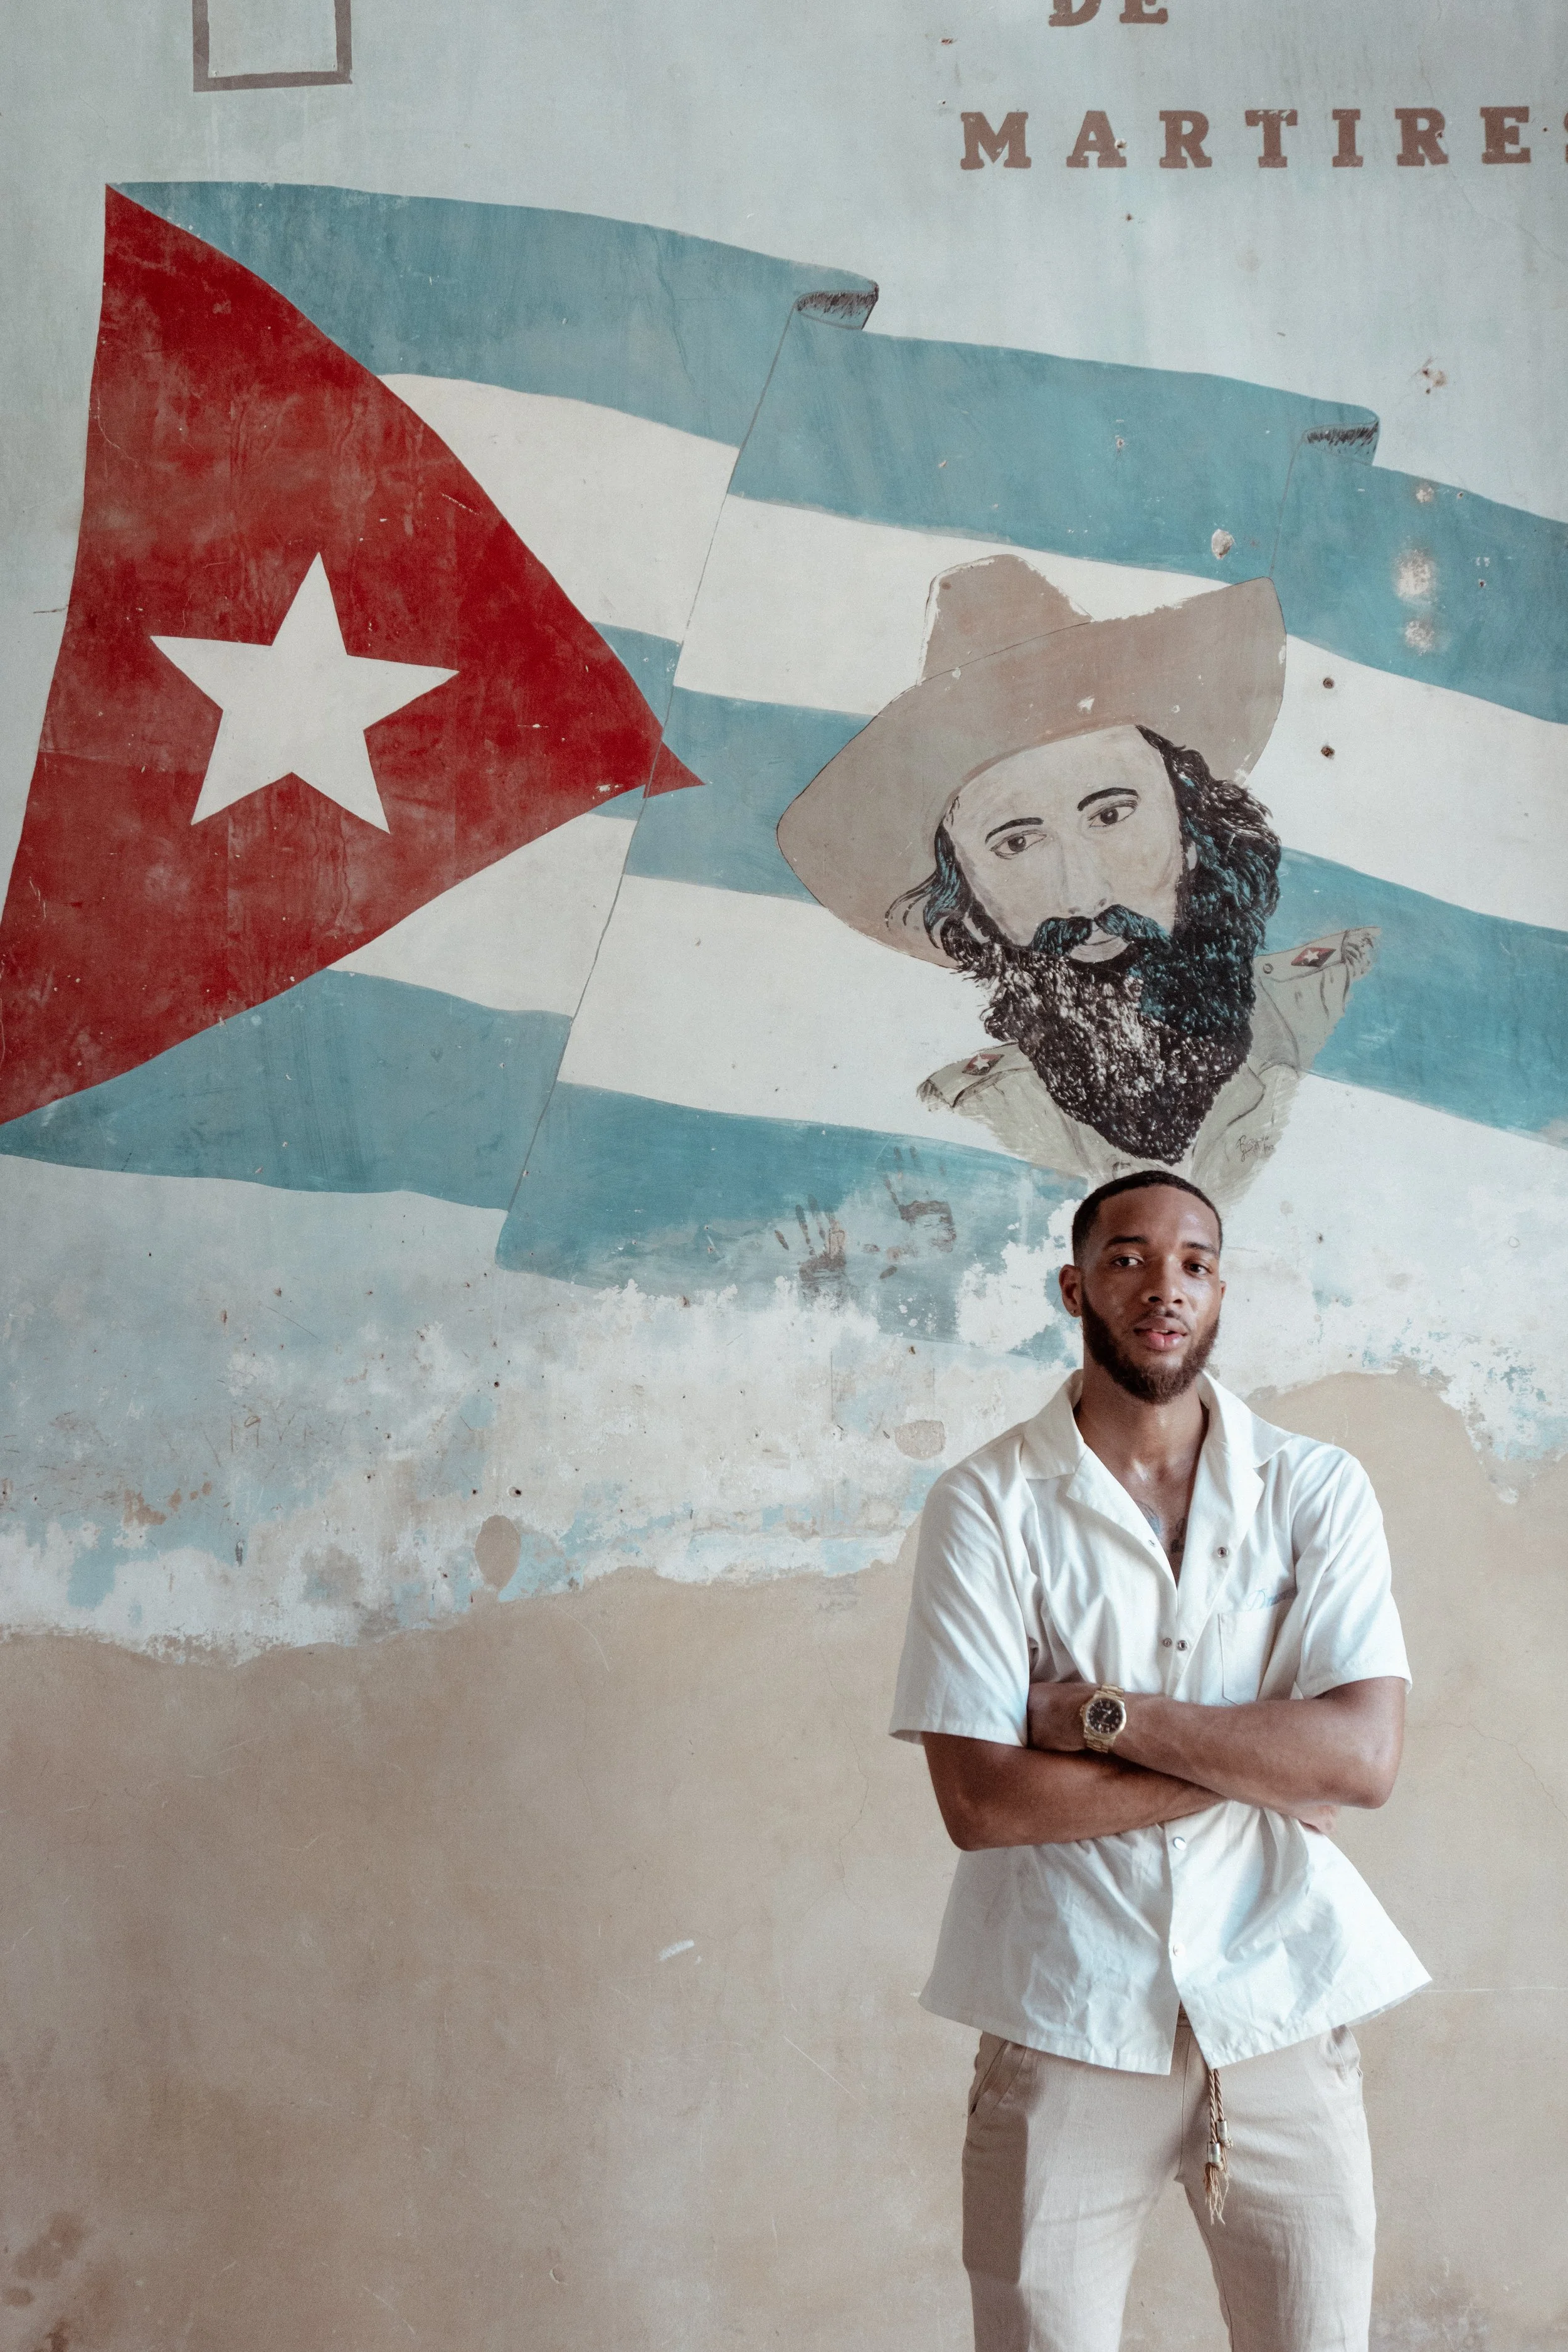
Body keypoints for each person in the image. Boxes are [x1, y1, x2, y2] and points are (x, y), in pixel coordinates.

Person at [890, 1168, 1428, 2352]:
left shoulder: (1317, 1489)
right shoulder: (987, 1505)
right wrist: (1266, 1759)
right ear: (1076, 1287)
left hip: (1281, 1997)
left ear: (1221, 1291)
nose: (1163, 1286)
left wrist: (1098, 1718)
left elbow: (1364, 1759)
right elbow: (982, 1800)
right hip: (1066, 2010)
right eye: (1129, 1259)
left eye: (1194, 1262)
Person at [776, 557, 1377, 1204]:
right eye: (1016, 842)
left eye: (1111, 814)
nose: (1084, 896)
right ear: (971, 904)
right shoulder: (970, 1121)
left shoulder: (1343, 1006)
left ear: (1192, 829)